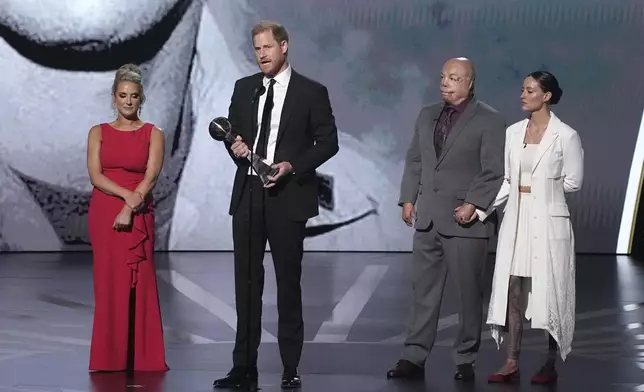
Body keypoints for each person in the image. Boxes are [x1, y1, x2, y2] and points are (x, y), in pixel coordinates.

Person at [212, 21, 339, 390]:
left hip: (287, 198)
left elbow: (327, 142)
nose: (262, 54)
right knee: (247, 284)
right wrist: (235, 147)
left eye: (268, 47)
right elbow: (233, 134)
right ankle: (243, 367)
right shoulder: (244, 88)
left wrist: (292, 166)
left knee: (288, 284)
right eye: (257, 49)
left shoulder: (311, 92)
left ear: (284, 47)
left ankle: (290, 367)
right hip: (249, 196)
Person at [387, 57, 506, 381]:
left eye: (454, 77)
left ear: (470, 83)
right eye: (442, 76)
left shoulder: (490, 120)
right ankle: (413, 356)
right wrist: (408, 198)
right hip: (428, 218)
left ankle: (465, 359)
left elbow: (493, 170)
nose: (445, 82)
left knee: (468, 296)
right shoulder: (427, 115)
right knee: (422, 292)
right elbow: (415, 159)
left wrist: (474, 204)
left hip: (466, 222)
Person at [480, 71, 583, 384]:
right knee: (512, 288)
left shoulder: (565, 135)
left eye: (529, 90)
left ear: (546, 95)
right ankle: (511, 360)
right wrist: (481, 208)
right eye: (522, 89)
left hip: (549, 220)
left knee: (550, 291)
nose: (522, 95)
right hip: (517, 219)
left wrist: (542, 191)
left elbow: (574, 182)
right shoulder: (513, 133)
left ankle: (550, 362)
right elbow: (508, 180)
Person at [86, 64, 168, 372]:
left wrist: (131, 205)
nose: (128, 101)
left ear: (141, 98)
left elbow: (152, 174)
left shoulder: (153, 133)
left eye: (134, 96)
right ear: (113, 98)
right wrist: (125, 196)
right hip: (105, 213)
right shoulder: (98, 132)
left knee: (140, 284)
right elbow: (95, 175)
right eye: (122, 96)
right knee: (108, 284)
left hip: (139, 213)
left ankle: (141, 357)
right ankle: (110, 358)